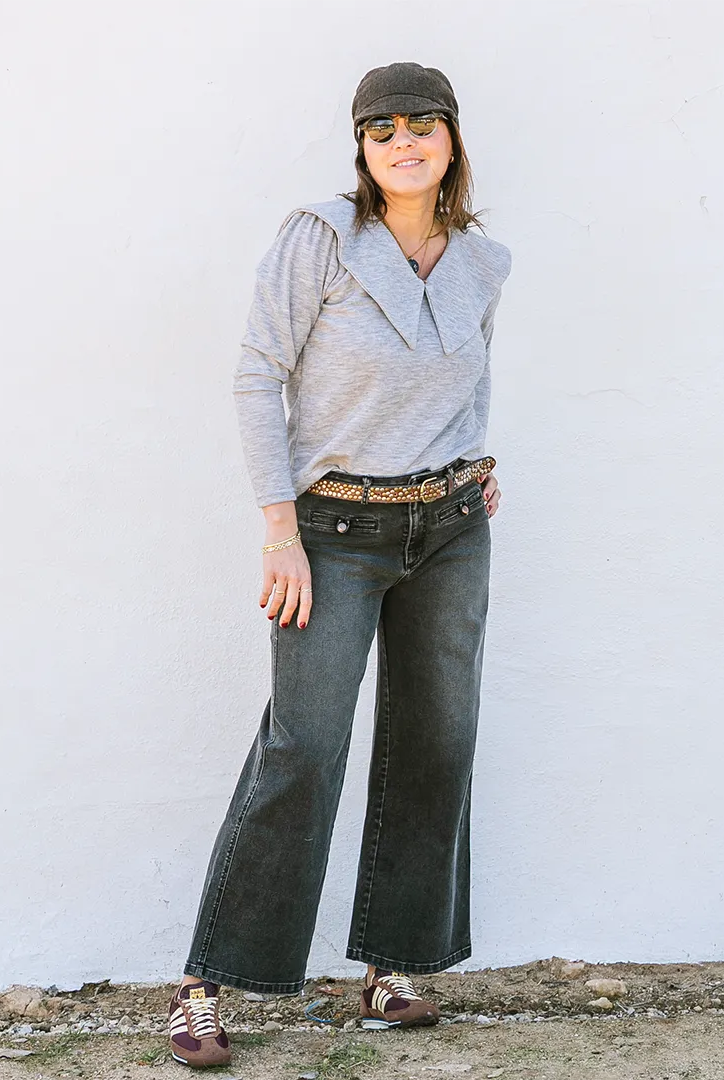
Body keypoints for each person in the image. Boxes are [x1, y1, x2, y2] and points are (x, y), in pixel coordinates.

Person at [168, 61, 512, 1069]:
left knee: (437, 742)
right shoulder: (320, 239)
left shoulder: (483, 261)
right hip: (333, 534)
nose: (404, 143)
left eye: (423, 125)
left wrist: (477, 459)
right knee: (304, 748)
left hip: (450, 528)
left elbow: (471, 373)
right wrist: (280, 530)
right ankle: (203, 985)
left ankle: (390, 967)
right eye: (383, 129)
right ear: (362, 147)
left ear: (452, 139)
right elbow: (256, 376)